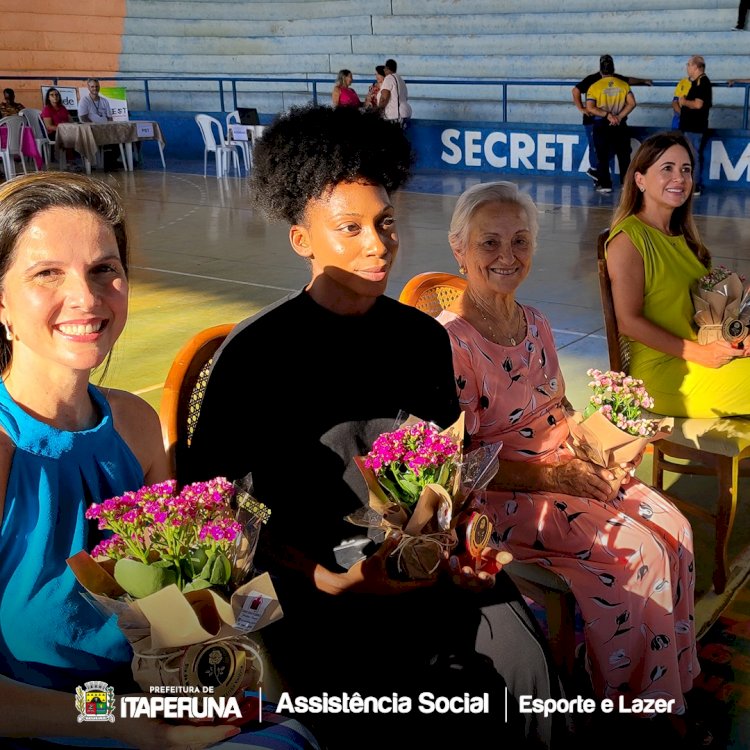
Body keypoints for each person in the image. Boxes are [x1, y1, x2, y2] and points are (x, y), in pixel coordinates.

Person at [187, 104, 568, 750]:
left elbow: (449, 466)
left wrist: (457, 549)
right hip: (316, 588)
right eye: (350, 228)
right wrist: (324, 578)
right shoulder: (253, 358)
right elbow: (222, 515)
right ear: (301, 238)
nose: (378, 244)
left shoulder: (420, 338)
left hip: (425, 567)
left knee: (527, 673)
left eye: (385, 223)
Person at [437, 180, 703, 743]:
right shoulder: (450, 343)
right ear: (458, 249)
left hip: (563, 466)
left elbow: (560, 405)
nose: (507, 256)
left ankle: (666, 683)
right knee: (638, 550)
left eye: (520, 241)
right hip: (502, 497)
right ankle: (636, 711)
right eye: (489, 243)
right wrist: (554, 474)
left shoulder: (535, 322)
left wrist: (599, 445)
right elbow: (455, 461)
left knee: (674, 527)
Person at [0, 172, 250, 749]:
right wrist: (121, 723)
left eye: (104, 269)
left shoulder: (135, 424)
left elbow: (170, 604)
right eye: (47, 274)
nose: (87, 297)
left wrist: (208, 658)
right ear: (2, 302)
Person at [607, 131, 750, 419]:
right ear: (640, 180)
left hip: (704, 356)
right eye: (667, 169)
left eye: (686, 169)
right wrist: (700, 353)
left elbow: (701, 313)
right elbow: (628, 321)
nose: (680, 178)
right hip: (665, 375)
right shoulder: (629, 239)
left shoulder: (682, 237)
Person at [572, 56, 651, 185]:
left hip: (599, 121)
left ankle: (602, 179)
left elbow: (587, 102)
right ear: (613, 68)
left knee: (600, 151)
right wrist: (581, 108)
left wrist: (592, 110)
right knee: (621, 153)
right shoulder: (618, 82)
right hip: (612, 122)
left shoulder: (595, 84)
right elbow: (575, 91)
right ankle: (618, 180)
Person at [585, 55, 637, 194]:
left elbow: (590, 107)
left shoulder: (594, 87)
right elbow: (632, 103)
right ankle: (626, 184)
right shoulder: (623, 85)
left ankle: (605, 184)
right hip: (620, 125)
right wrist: (618, 116)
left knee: (602, 156)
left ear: (601, 71)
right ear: (613, 69)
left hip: (602, 125)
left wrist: (607, 115)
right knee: (623, 155)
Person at [678, 56, 712, 196]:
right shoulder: (697, 82)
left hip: (695, 127)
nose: (687, 67)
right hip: (690, 126)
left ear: (696, 67)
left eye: (689, 65)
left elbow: (698, 104)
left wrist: (684, 102)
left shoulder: (702, 83)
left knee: (693, 155)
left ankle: (694, 185)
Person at [379, 58, 412, 125]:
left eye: (384, 68)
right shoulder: (401, 79)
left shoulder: (389, 78)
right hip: (406, 112)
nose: (384, 70)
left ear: (387, 68)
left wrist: (379, 108)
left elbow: (384, 97)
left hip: (395, 115)